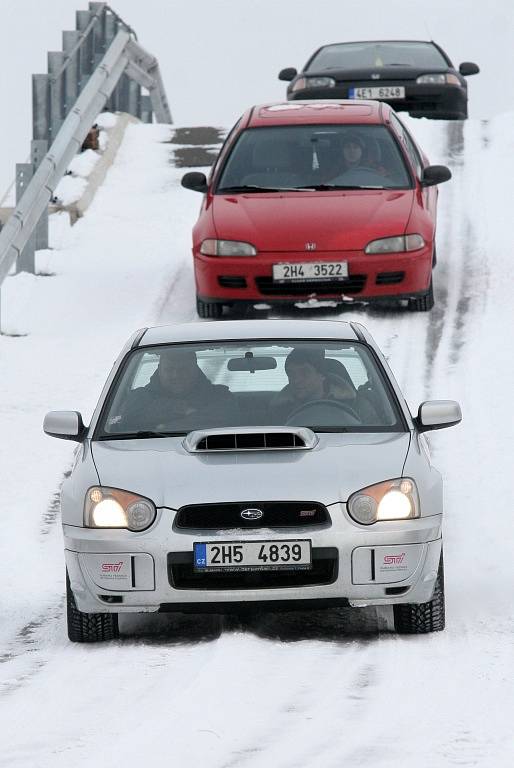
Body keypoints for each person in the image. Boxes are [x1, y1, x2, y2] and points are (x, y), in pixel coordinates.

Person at [113, 347, 232, 432]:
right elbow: (127, 423)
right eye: (169, 369)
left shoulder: (220, 396)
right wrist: (181, 409)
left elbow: (225, 422)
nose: (175, 375)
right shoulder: (138, 398)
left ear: (195, 369)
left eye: (183, 370)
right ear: (159, 370)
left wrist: (162, 427)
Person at [271, 347, 361, 423]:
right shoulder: (280, 409)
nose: (296, 380)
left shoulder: (356, 404)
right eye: (291, 374)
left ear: (322, 375)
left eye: (305, 373)